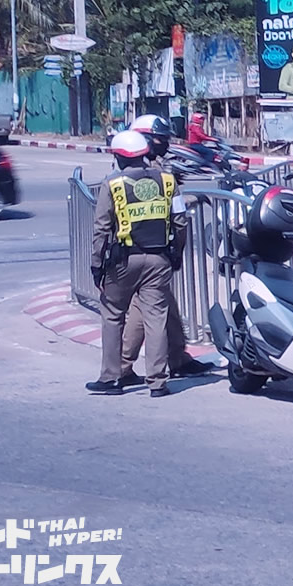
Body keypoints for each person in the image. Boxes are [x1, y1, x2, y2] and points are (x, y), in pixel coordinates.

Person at [87, 130, 186, 398]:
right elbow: (180, 221)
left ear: (119, 157)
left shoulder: (113, 184)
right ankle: (158, 382)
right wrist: (176, 253)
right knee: (156, 318)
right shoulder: (168, 181)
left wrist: (97, 265)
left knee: (112, 314)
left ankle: (111, 378)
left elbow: (101, 229)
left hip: (123, 261)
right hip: (159, 260)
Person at [117, 114, 213, 386]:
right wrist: (177, 249)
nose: (165, 144)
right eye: (160, 139)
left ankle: (178, 358)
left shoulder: (136, 169)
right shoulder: (151, 172)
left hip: (141, 251)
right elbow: (172, 211)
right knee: (144, 308)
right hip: (148, 252)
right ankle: (123, 366)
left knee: (166, 306)